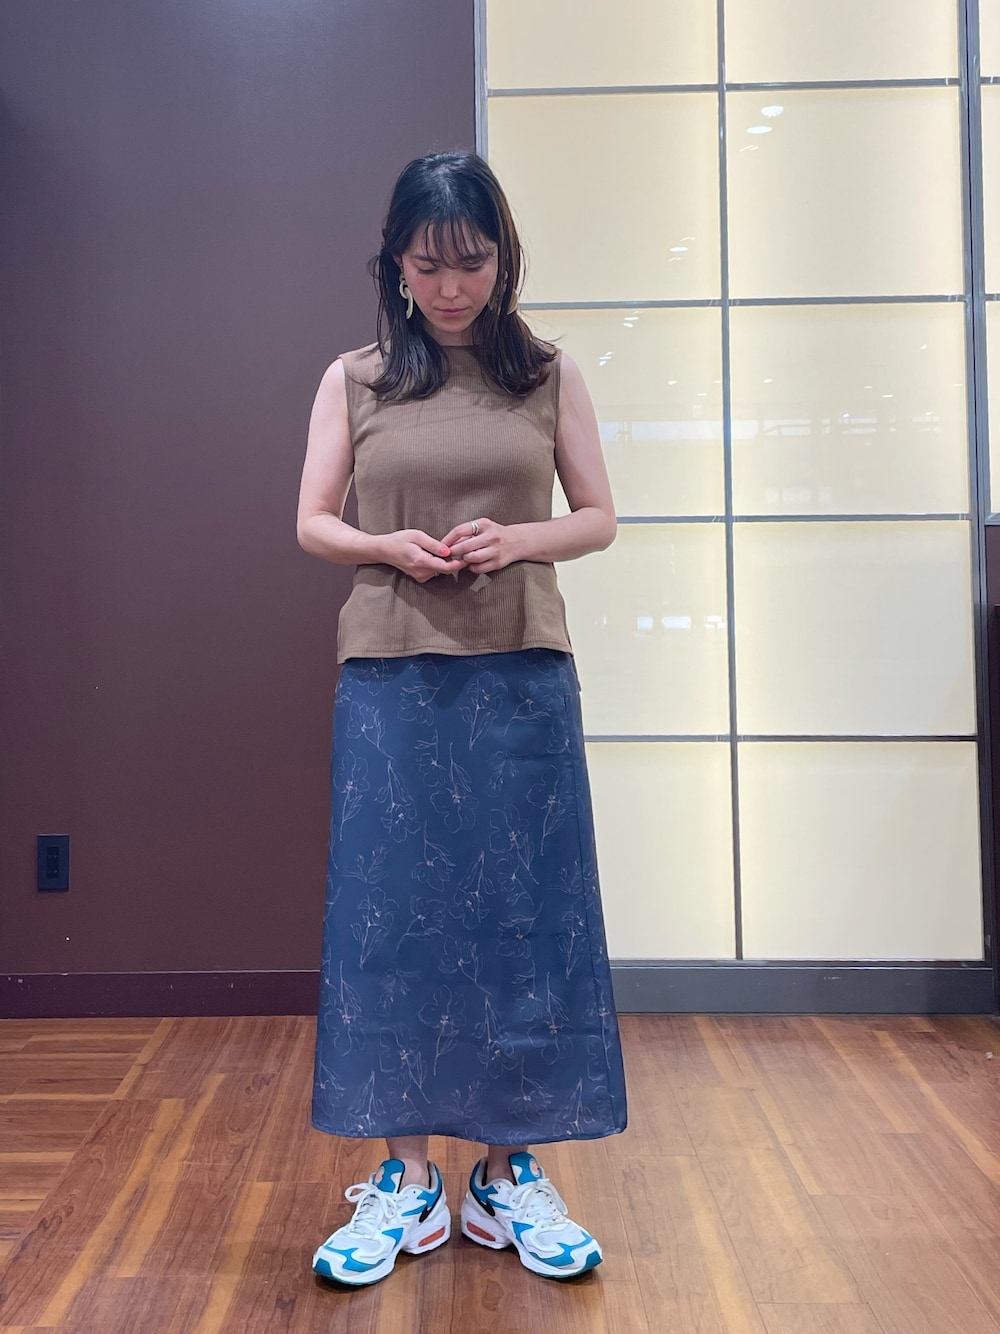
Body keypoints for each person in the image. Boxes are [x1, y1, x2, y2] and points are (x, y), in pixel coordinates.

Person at [296, 151, 628, 1288]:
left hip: (520, 672)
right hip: (392, 674)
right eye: (429, 263)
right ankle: (404, 1179)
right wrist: (384, 546)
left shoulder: (545, 373)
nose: (450, 286)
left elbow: (598, 515)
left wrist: (517, 538)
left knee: (521, 918)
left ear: (502, 258)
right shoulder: (353, 379)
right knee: (393, 918)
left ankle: (505, 1171)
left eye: (471, 261)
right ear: (395, 262)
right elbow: (311, 521)